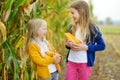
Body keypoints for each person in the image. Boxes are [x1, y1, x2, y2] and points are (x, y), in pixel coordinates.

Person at [65, 0, 106, 80]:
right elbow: (67, 44)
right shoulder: (71, 27)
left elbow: (102, 46)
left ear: (81, 11)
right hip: (71, 61)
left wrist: (86, 47)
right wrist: (68, 44)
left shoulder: (93, 28)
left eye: (73, 13)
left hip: (84, 63)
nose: (72, 16)